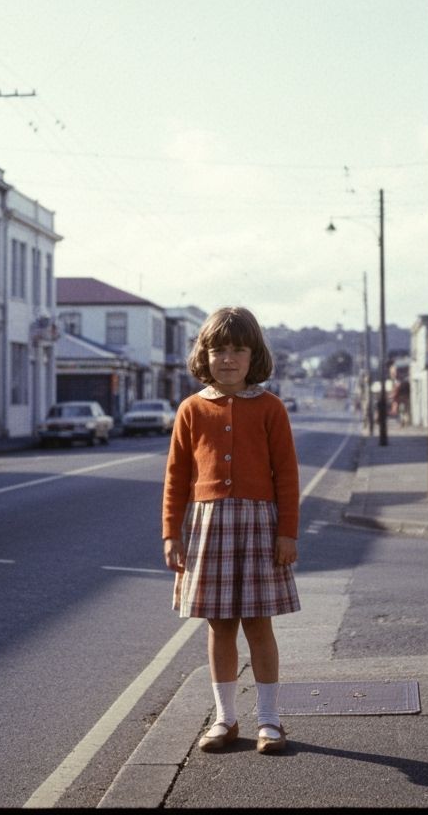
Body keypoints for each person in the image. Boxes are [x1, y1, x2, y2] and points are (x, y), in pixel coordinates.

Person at [162, 306, 300, 755]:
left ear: (253, 355)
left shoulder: (270, 408)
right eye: (219, 349)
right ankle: (225, 719)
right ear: (205, 355)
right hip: (208, 526)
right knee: (220, 626)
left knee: (259, 625)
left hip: (260, 526)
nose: (228, 358)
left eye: (238, 349)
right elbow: (176, 477)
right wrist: (171, 533)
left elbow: (287, 475)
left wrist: (288, 533)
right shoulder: (191, 409)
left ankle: (270, 721)